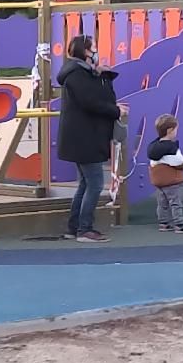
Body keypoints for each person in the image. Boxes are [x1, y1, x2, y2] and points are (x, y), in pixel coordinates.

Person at [57, 34, 125, 243]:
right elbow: (91, 102)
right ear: (86, 52)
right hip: (84, 137)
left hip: (82, 136)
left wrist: (103, 76)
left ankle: (75, 226)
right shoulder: (78, 76)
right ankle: (84, 229)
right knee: (95, 183)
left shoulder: (80, 73)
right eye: (93, 48)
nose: (96, 51)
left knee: (86, 183)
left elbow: (96, 96)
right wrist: (115, 111)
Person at [146, 114, 183, 234]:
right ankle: (179, 224)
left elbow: (154, 162)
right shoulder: (171, 148)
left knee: (162, 203)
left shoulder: (153, 147)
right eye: (176, 129)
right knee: (175, 202)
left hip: (158, 180)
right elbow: (179, 161)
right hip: (171, 180)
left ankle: (163, 223)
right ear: (170, 130)